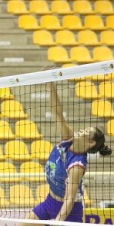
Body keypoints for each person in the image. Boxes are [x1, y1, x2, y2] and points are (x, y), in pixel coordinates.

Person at [22, 80, 112, 225]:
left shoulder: (77, 166)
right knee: (24, 224)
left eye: (86, 132)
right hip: (50, 201)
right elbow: (57, 114)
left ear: (90, 143)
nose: (81, 130)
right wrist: (50, 84)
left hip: (69, 211)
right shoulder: (67, 139)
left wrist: (58, 222)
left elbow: (69, 200)